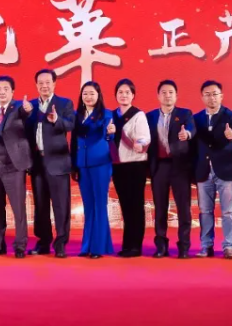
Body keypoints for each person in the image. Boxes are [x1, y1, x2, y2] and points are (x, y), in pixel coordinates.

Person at [23, 68, 75, 258]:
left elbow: (71, 125)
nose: (44, 86)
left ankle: (61, 243)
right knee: (40, 205)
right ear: (36, 85)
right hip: (37, 162)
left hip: (58, 162)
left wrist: (57, 120)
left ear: (54, 83)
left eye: (47, 82)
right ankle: (43, 242)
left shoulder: (64, 103)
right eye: (40, 83)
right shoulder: (31, 106)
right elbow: (24, 131)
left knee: (61, 205)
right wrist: (24, 114)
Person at [0, 75, 32, 259]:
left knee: (18, 209)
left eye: (5, 89)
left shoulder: (19, 108)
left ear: (12, 91)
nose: (2, 92)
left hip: (14, 166)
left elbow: (26, 115)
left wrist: (28, 110)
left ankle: (20, 245)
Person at [193, 80, 232, 259]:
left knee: (228, 211)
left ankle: (229, 246)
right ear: (202, 97)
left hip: (225, 170)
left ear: (221, 96)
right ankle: (206, 246)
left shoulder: (231, 115)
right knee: (205, 211)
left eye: (215, 94)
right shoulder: (196, 118)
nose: (211, 98)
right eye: (207, 94)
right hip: (203, 171)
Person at [146, 80, 196, 258]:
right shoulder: (150, 116)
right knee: (160, 207)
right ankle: (161, 245)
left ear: (176, 95)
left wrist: (186, 134)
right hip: (159, 166)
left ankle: (184, 246)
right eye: (164, 92)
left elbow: (192, 129)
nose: (167, 96)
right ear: (158, 95)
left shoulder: (184, 114)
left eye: (171, 92)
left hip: (179, 166)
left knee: (183, 208)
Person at [70, 81, 114, 259]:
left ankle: (98, 247)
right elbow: (73, 141)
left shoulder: (106, 114)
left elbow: (108, 134)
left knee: (100, 204)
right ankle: (86, 245)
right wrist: (74, 165)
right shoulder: (76, 115)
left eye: (92, 93)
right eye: (85, 93)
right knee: (88, 206)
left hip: (101, 163)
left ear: (98, 95)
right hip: (82, 164)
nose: (88, 97)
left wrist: (111, 132)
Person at [110, 79, 151, 258]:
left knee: (136, 206)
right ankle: (127, 244)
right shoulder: (112, 115)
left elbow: (144, 138)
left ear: (133, 95)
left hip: (135, 164)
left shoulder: (138, 115)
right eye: (120, 92)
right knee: (125, 206)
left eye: (127, 92)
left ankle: (136, 246)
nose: (124, 95)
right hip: (118, 165)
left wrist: (139, 144)